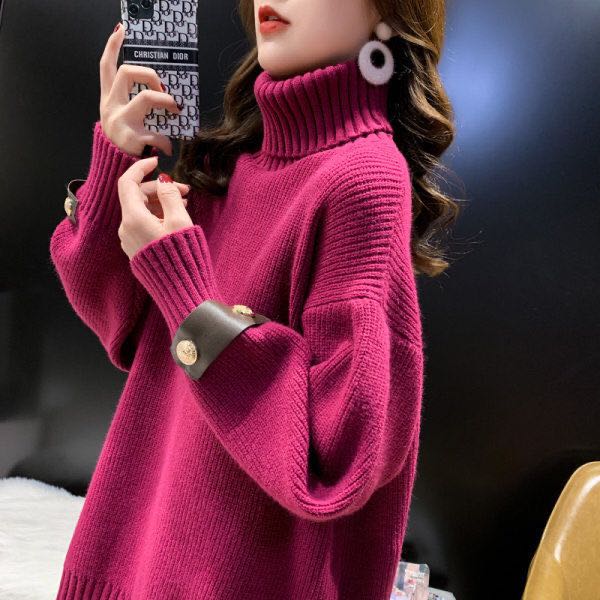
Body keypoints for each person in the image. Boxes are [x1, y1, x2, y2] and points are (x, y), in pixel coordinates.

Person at [50, 0, 457, 597]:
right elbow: (122, 325)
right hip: (136, 559)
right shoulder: (230, 163)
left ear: (388, 14)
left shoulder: (364, 179)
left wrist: (187, 293)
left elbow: (336, 460)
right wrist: (115, 163)